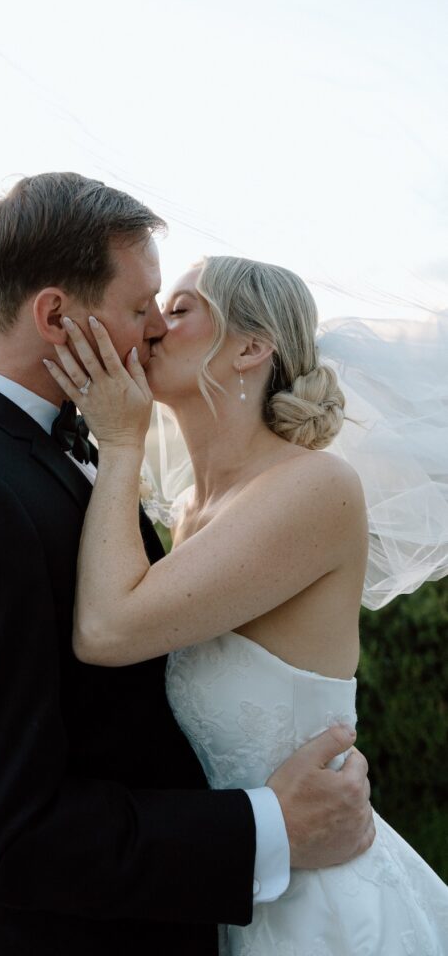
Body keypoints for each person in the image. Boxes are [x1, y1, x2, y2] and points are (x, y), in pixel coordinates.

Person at [0, 175, 372, 956]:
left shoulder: (59, 455)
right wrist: (268, 828)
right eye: (141, 308)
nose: (149, 332)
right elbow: (3, 834)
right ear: (53, 315)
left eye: (167, 311)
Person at [43, 253, 448, 953]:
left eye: (179, 309)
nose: (150, 329)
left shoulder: (315, 487)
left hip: (316, 910)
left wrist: (119, 441)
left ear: (251, 347)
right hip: (227, 885)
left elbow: (108, 628)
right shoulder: (189, 509)